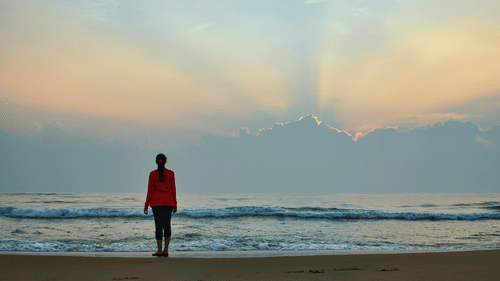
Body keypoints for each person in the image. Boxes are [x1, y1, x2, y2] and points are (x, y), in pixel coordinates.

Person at [144, 153, 177, 257]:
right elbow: (173, 190)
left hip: (156, 202)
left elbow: (150, 191)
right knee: (167, 226)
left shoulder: (152, 174)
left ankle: (159, 250)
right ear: (165, 161)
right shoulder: (171, 173)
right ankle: (166, 250)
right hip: (168, 202)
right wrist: (175, 204)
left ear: (156, 162)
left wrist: (146, 205)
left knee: (158, 226)